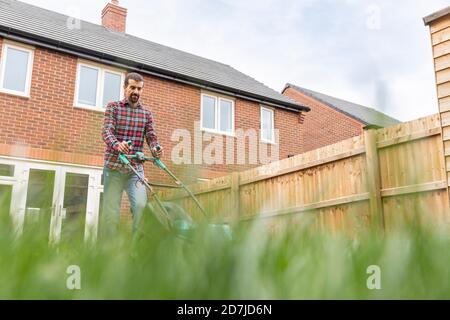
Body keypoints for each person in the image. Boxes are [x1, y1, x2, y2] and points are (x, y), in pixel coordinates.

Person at [101, 72, 163, 236]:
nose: (136, 91)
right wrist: (117, 144)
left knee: (140, 208)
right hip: (113, 168)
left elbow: (151, 136)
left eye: (139, 89)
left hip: (135, 170)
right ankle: (110, 250)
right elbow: (107, 132)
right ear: (125, 88)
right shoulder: (113, 107)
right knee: (111, 213)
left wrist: (156, 148)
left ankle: (136, 249)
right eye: (132, 88)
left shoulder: (146, 113)